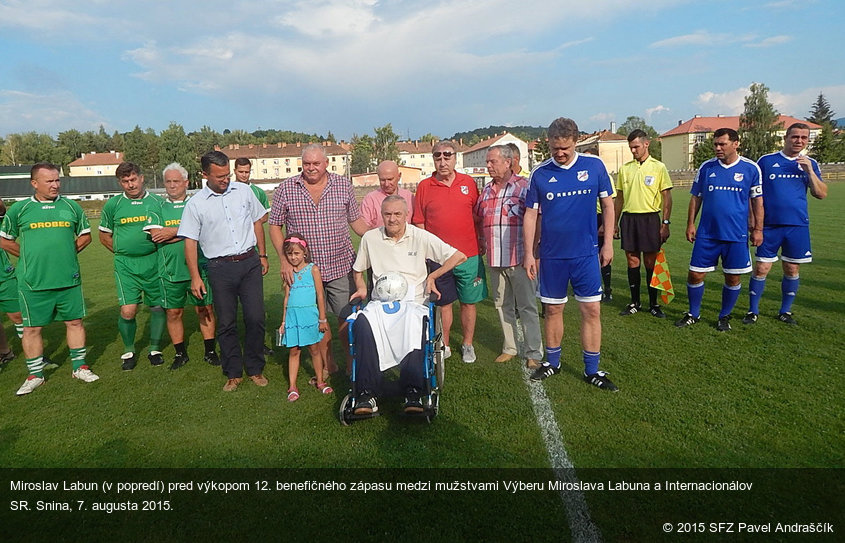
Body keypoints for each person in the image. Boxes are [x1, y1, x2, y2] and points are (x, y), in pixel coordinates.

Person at [523, 117, 618, 391]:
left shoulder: (594, 166)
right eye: (555, 149)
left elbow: (608, 206)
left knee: (591, 309)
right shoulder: (540, 173)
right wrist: (529, 253)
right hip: (552, 256)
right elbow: (531, 215)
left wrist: (608, 243)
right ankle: (553, 362)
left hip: (586, 255)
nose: (560, 153)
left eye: (564, 148)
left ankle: (592, 370)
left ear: (575, 141)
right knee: (553, 309)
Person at [349, 195, 466, 414]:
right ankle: (367, 394)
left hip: (413, 300)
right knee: (363, 324)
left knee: (415, 324)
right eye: (387, 214)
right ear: (381, 215)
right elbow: (358, 269)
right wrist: (362, 288)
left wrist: (433, 276)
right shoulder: (371, 238)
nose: (392, 219)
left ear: (406, 215)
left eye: (397, 214)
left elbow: (458, 256)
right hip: (381, 300)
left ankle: (412, 390)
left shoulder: (419, 236)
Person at [269, 143, 368, 374]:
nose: (311, 168)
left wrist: (381, 234)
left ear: (326, 164)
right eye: (306, 163)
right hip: (303, 271)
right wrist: (284, 260)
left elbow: (356, 221)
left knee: (346, 317)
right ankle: (328, 363)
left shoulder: (343, 185)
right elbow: (274, 226)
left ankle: (351, 362)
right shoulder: (286, 188)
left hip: (340, 265)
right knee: (315, 320)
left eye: (316, 163)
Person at [0, 162, 97, 395]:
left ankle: (79, 367)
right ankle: (35, 375)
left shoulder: (71, 207)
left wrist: (65, 254)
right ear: (34, 183)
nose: (55, 185)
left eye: (57, 180)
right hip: (33, 282)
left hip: (68, 279)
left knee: (74, 322)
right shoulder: (19, 210)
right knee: (32, 328)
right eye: (49, 181)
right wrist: (29, 256)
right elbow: (4, 238)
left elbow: (85, 236)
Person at [178, 151, 270, 391]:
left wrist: (262, 254)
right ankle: (233, 372)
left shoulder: (244, 192)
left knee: (256, 318)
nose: (225, 180)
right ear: (204, 174)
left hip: (249, 262)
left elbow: (257, 221)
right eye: (219, 176)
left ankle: (255, 368)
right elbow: (190, 242)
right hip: (220, 268)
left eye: (227, 175)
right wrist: (195, 277)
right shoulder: (195, 203)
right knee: (227, 322)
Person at [675, 128, 763, 331]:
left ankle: (724, 316)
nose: (717, 148)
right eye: (715, 144)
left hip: (736, 234)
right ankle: (693, 313)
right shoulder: (707, 167)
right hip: (707, 233)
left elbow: (758, 202)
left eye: (722, 144)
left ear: (736, 144)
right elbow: (696, 197)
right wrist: (690, 224)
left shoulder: (751, 168)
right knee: (695, 274)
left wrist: (758, 229)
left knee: (732, 277)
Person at [744, 122, 827, 326]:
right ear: (786, 138)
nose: (799, 141)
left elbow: (821, 194)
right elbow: (752, 193)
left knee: (791, 269)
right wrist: (753, 221)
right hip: (769, 226)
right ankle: (752, 310)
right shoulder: (766, 161)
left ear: (807, 140)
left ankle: (785, 311)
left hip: (797, 225)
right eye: (795, 137)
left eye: (803, 138)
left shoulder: (811, 164)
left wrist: (809, 171)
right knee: (762, 268)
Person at [412, 140, 487, 363]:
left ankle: (467, 344)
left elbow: (477, 217)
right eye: (438, 156)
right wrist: (427, 251)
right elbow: (419, 223)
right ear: (433, 159)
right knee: (443, 303)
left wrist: (481, 239)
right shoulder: (425, 186)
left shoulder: (469, 183)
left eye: (447, 156)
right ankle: (443, 345)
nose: (443, 161)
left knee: (468, 302)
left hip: (468, 254)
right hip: (439, 258)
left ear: (456, 157)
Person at [143, 163, 219, 370]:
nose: (172, 185)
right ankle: (180, 353)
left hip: (199, 267)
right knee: (173, 312)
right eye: (168, 181)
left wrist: (172, 232)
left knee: (205, 308)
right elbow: (156, 236)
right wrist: (188, 232)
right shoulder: (156, 206)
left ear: (186, 182)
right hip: (170, 270)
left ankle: (210, 351)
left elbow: (206, 230)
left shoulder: (197, 203)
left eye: (176, 181)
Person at [475, 145, 543, 369]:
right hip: (495, 258)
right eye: (487, 161)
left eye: (493, 161)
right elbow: (478, 219)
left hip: (519, 257)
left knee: (527, 306)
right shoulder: (485, 191)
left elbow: (537, 221)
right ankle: (510, 347)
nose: (488, 166)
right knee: (501, 305)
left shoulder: (523, 188)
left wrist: (531, 253)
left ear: (508, 162)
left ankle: (534, 351)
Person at [99, 162, 166, 370]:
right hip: (126, 265)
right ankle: (129, 350)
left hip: (153, 261)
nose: (130, 185)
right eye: (125, 181)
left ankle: (155, 348)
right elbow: (104, 235)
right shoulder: (113, 205)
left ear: (142, 178)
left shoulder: (158, 202)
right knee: (128, 310)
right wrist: (123, 252)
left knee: (157, 306)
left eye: (133, 179)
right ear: (120, 182)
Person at [615, 129, 674, 317]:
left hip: (650, 218)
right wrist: (615, 223)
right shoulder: (625, 169)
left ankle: (654, 304)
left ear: (646, 144)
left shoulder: (659, 167)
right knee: (632, 261)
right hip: (629, 219)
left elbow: (667, 197)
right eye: (630, 147)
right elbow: (619, 199)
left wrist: (665, 223)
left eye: (636, 147)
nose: (633, 150)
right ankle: (634, 302)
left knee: (650, 262)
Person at [278, 233, 330, 401]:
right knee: (294, 351)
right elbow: (286, 298)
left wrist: (322, 319)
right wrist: (284, 321)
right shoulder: (288, 272)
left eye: (297, 253)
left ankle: (320, 381)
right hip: (293, 317)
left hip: (310, 316)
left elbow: (320, 295)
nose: (293, 257)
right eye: (290, 254)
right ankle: (292, 386)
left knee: (314, 349)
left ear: (304, 253)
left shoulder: (313, 269)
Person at [234, 157, 275, 356]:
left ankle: (258, 344)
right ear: (235, 171)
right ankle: (233, 345)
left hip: (252, 250)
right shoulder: (229, 190)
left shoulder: (256, 192)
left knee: (254, 305)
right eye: (240, 171)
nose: (244, 175)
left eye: (247, 172)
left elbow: (265, 215)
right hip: (232, 252)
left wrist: (263, 255)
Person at [360, 160, 414, 229]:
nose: (386, 184)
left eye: (390, 179)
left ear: (399, 176)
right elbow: (364, 227)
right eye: (382, 180)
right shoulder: (370, 200)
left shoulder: (409, 197)